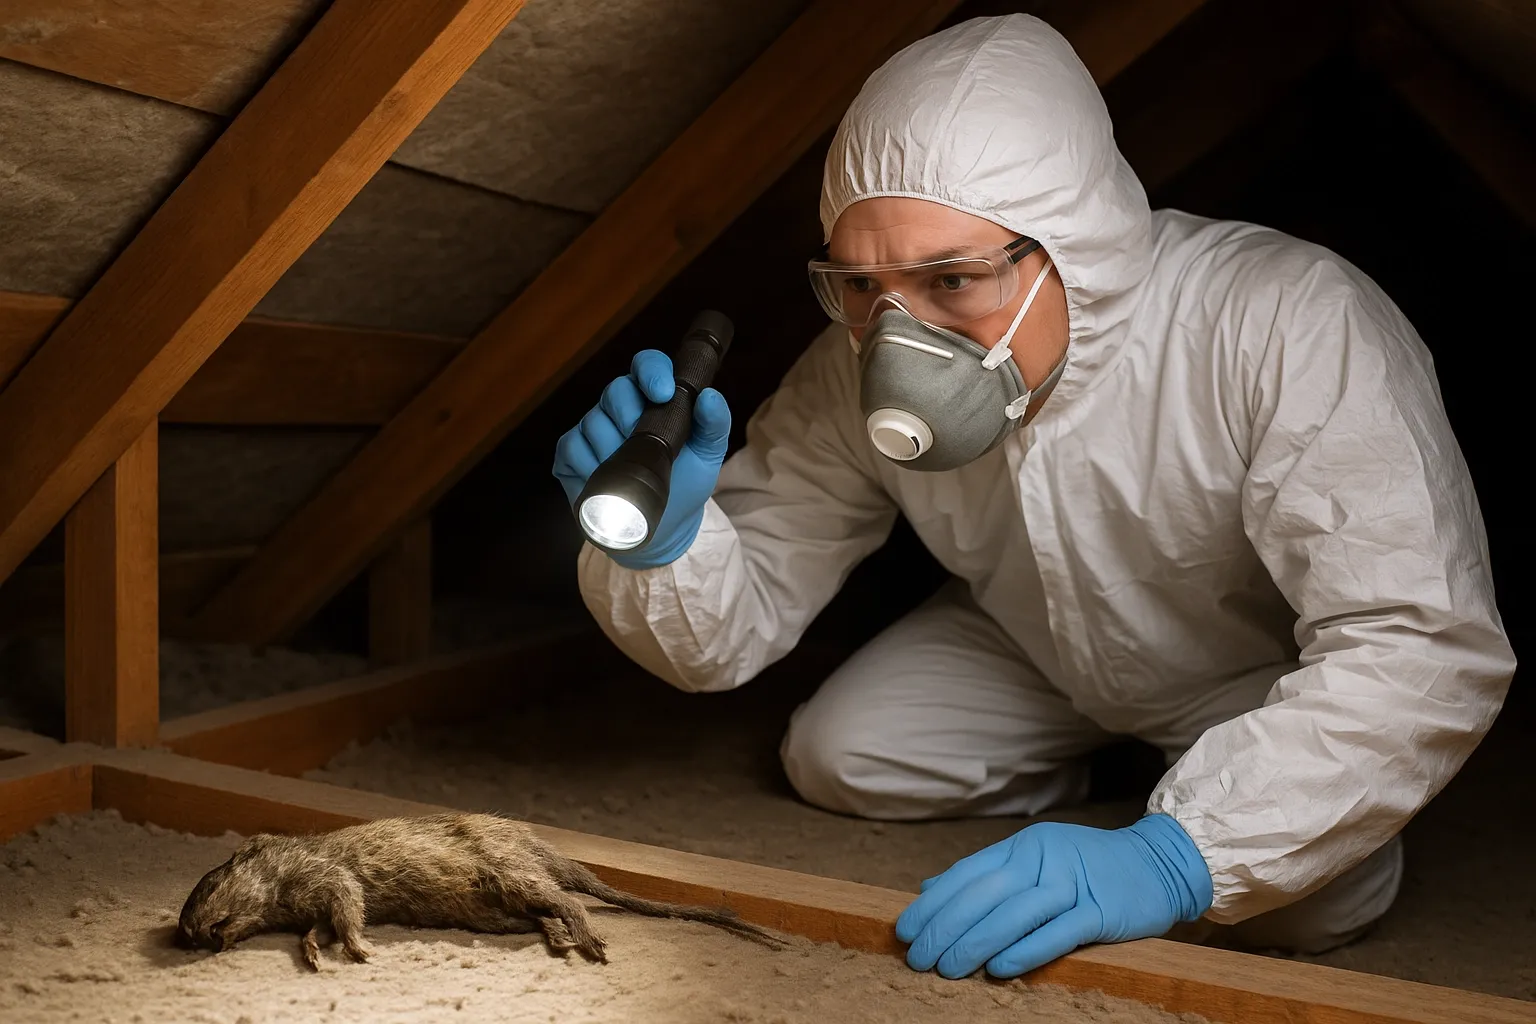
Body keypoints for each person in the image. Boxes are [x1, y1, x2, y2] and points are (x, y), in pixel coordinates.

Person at [550, 14, 1515, 980]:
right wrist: (668, 546)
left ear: (1073, 246)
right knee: (841, 755)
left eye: (954, 279)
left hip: (1244, 675)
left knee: (1313, 904)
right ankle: (1105, 777)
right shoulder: (843, 373)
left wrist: (1176, 857)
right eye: (862, 287)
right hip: (1030, 645)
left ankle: (1188, 796)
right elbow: (734, 625)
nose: (897, 338)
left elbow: (1419, 640)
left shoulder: (1285, 319)